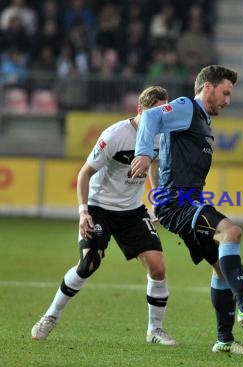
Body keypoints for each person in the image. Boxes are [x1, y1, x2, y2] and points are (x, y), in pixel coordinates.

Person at [131, 65, 243, 355]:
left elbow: (166, 158)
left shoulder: (200, 121)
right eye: (225, 93)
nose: (228, 100)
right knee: (231, 232)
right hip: (180, 203)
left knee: (222, 270)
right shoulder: (187, 107)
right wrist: (142, 152)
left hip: (182, 201)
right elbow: (150, 116)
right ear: (208, 87)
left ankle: (224, 341)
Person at [31, 86, 176, 346]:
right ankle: (51, 316)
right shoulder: (115, 135)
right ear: (141, 110)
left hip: (132, 211)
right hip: (99, 207)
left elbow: (153, 165)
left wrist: (157, 200)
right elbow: (84, 174)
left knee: (158, 267)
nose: (161, 118)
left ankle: (155, 330)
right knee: (89, 264)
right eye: (156, 111)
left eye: (165, 111)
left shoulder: (160, 136)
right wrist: (83, 212)